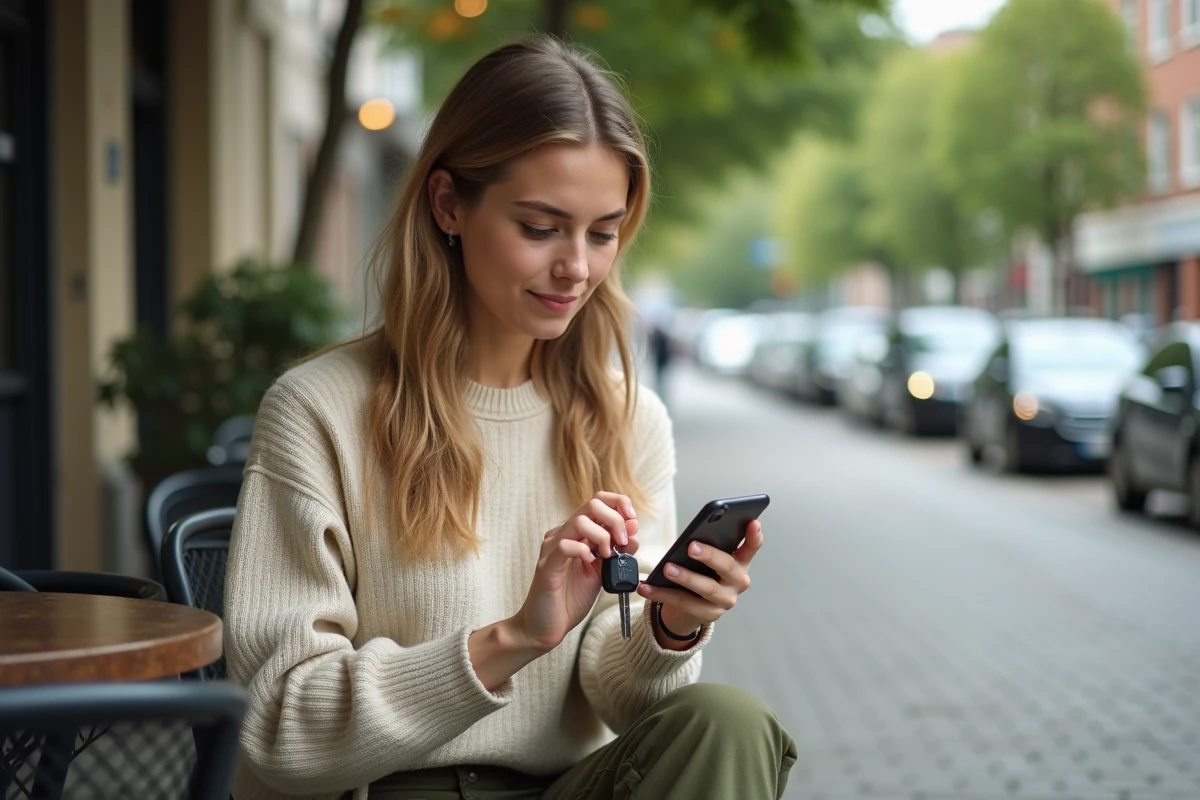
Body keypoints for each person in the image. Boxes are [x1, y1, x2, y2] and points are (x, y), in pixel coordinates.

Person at [224, 35, 796, 800]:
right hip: (393, 790)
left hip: (571, 784)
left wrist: (671, 627)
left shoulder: (628, 417)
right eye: (540, 227)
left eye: (602, 232)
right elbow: (276, 726)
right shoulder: (318, 411)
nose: (577, 268)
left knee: (728, 722)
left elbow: (631, 704)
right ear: (448, 204)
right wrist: (515, 638)